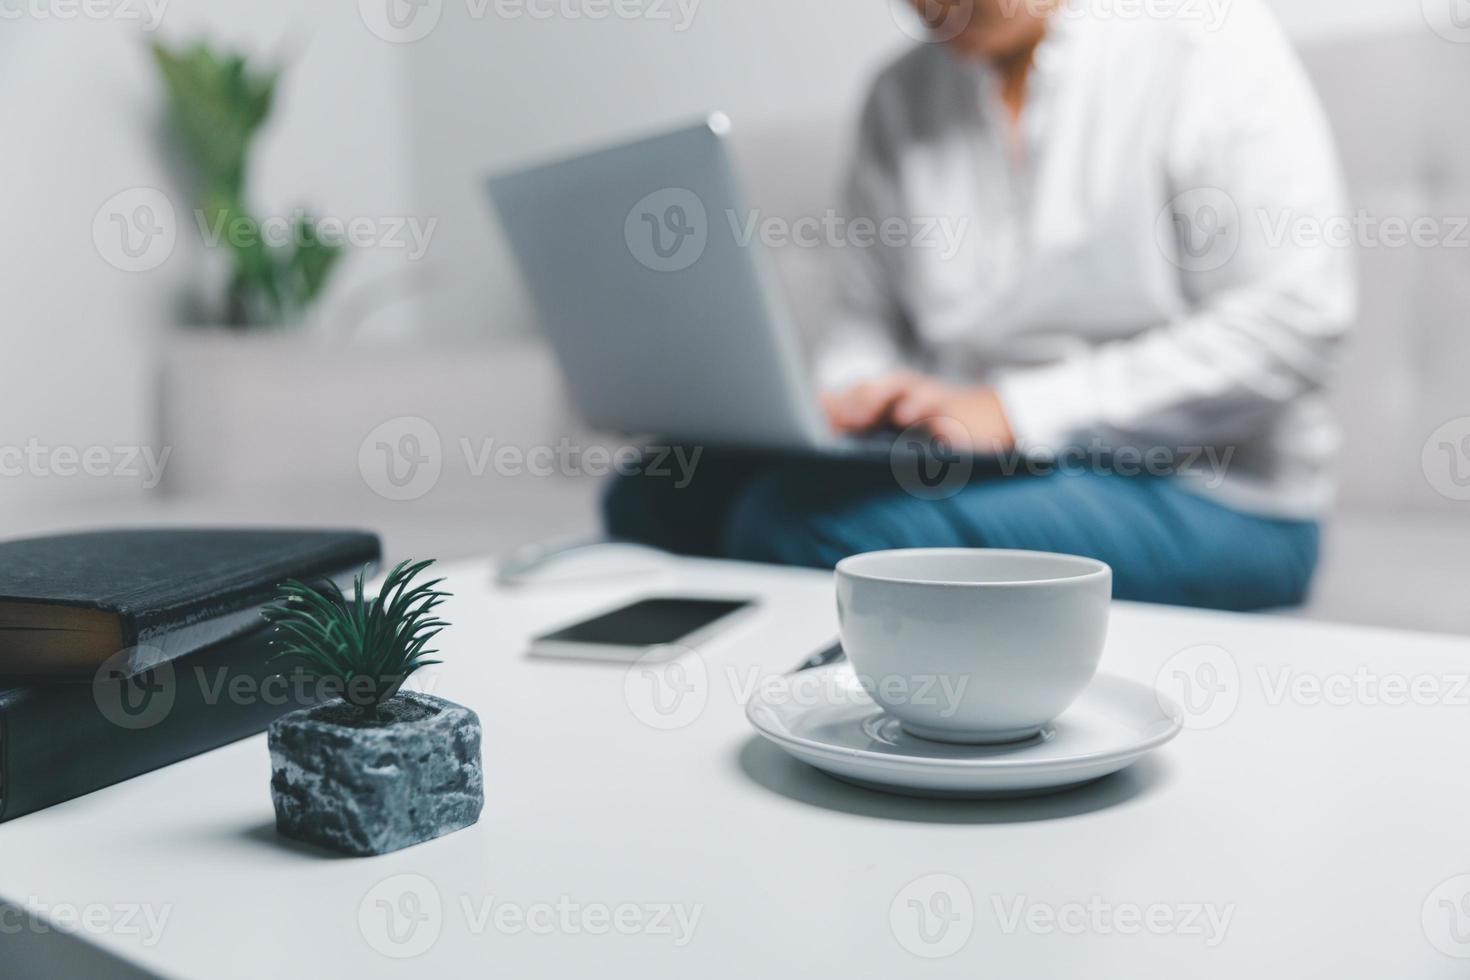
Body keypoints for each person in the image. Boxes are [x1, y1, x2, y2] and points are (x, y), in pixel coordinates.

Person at [605, 0, 1356, 611]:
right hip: (974, 463)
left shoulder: (1206, 42)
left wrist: (1012, 411)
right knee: (655, 494)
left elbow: (1294, 322)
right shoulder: (898, 97)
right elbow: (868, 323)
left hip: (1212, 496)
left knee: (799, 525)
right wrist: (856, 396)